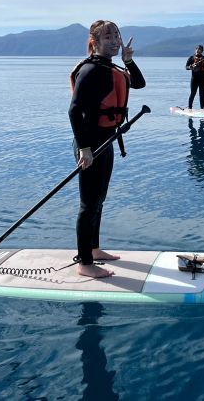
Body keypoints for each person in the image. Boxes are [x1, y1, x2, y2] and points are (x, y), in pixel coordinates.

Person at [68, 20, 145, 278]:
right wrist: (84, 148)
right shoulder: (90, 70)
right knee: (88, 203)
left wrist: (129, 60)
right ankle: (84, 263)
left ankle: (94, 248)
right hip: (89, 143)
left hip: (107, 140)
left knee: (99, 199)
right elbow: (74, 110)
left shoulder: (112, 68)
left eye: (116, 35)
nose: (114, 40)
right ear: (95, 42)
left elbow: (139, 83)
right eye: (108, 36)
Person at [185, 44, 204, 110]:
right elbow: (186, 67)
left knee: (202, 94)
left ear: (201, 51)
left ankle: (202, 109)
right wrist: (190, 67)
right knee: (193, 94)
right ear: (195, 50)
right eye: (196, 49)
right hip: (194, 79)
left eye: (199, 49)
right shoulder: (191, 58)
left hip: (203, 79)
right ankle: (189, 108)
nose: (197, 50)